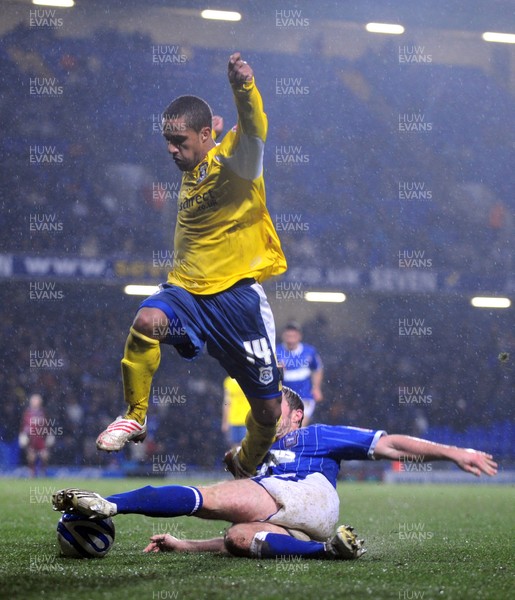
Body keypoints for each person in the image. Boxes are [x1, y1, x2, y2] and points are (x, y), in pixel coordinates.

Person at [96, 52, 287, 480]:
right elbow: (207, 137)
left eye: (179, 141)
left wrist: (244, 87)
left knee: (269, 410)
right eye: (167, 139)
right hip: (187, 294)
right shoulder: (194, 160)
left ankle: (247, 462)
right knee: (146, 320)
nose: (170, 149)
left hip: (238, 301)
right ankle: (135, 416)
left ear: (204, 135)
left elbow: (255, 130)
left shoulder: (236, 163)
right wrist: (210, 130)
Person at [54, 388, 497, 561]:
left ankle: (111, 504)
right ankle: (328, 551)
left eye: (272, 411)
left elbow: (393, 444)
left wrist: (454, 451)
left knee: (211, 496)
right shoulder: (257, 452)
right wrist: (183, 543)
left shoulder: (315, 435)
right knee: (238, 539)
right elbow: (246, 513)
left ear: (296, 415)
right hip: (307, 520)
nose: (262, 418)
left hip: (307, 491)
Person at [276, 321, 323, 425]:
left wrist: (316, 387)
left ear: (299, 336)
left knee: (298, 426)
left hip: (304, 396)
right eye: (288, 336)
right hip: (284, 398)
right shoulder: (276, 352)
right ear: (283, 336)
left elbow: (318, 369)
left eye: (294, 336)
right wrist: (278, 371)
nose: (291, 339)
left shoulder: (310, 351)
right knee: (284, 429)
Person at [19, 393, 54, 477]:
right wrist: (23, 435)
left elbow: (48, 425)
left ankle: (43, 472)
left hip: (41, 438)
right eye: (34, 400)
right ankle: (32, 473)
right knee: (31, 456)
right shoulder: (27, 413)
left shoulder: (44, 412)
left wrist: (50, 434)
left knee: (44, 455)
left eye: (37, 400)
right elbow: (24, 425)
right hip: (31, 438)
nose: (36, 402)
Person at [221, 376, 250, 448]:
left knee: (240, 448)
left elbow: (226, 402)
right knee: (240, 448)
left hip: (246, 420)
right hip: (234, 420)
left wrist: (225, 422)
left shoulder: (249, 379)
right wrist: (225, 421)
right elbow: (226, 403)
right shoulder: (229, 382)